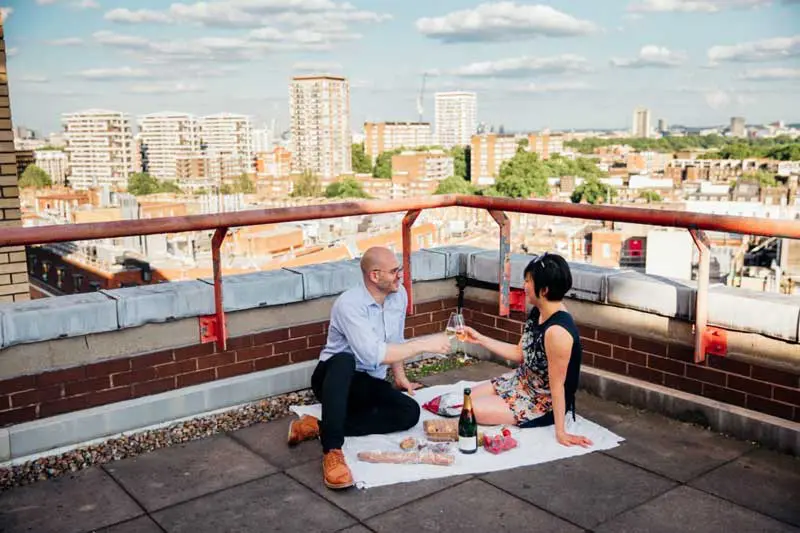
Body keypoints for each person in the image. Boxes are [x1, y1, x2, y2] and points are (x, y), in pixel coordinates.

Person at [286, 246, 451, 489]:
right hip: (333, 379)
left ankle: (316, 426)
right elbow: (371, 354)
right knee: (344, 359)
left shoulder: (399, 295)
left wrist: (400, 378)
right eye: (395, 271)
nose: (400, 276)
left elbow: (395, 340)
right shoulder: (349, 304)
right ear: (375, 276)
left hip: (366, 383)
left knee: (409, 413)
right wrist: (425, 344)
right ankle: (332, 451)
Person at [462, 252, 593, 448]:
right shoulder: (538, 311)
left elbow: (558, 387)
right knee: (467, 398)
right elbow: (520, 353)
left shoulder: (557, 332)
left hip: (541, 400)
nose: (524, 286)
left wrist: (561, 432)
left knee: (472, 411)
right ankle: (503, 400)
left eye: (528, 281)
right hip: (523, 380)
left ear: (544, 290)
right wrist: (480, 339)